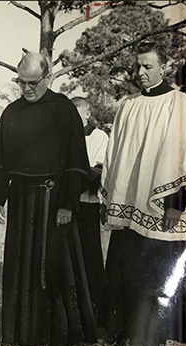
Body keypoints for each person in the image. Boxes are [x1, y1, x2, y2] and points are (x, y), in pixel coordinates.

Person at [0, 52, 93, 346]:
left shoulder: (65, 110)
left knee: (54, 269)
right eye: (21, 82)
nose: (27, 88)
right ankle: (21, 334)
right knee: (20, 267)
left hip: (54, 200)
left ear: (49, 78)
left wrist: (68, 204)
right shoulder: (12, 112)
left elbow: (75, 163)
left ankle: (60, 338)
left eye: (33, 82)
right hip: (20, 200)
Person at [99, 41, 186, 346]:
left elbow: (185, 154)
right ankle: (120, 332)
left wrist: (175, 202)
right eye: (137, 66)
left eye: (148, 66)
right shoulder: (128, 105)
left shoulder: (179, 103)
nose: (140, 72)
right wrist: (110, 198)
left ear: (163, 67)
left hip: (161, 206)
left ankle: (152, 340)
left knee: (154, 273)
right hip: (127, 204)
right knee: (124, 268)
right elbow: (115, 154)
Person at [70, 97, 108, 325]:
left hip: (86, 204)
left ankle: (95, 306)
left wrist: (72, 182)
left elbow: (97, 170)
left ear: (87, 114)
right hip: (66, 205)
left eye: (78, 113)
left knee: (89, 254)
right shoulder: (65, 135)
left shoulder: (98, 136)